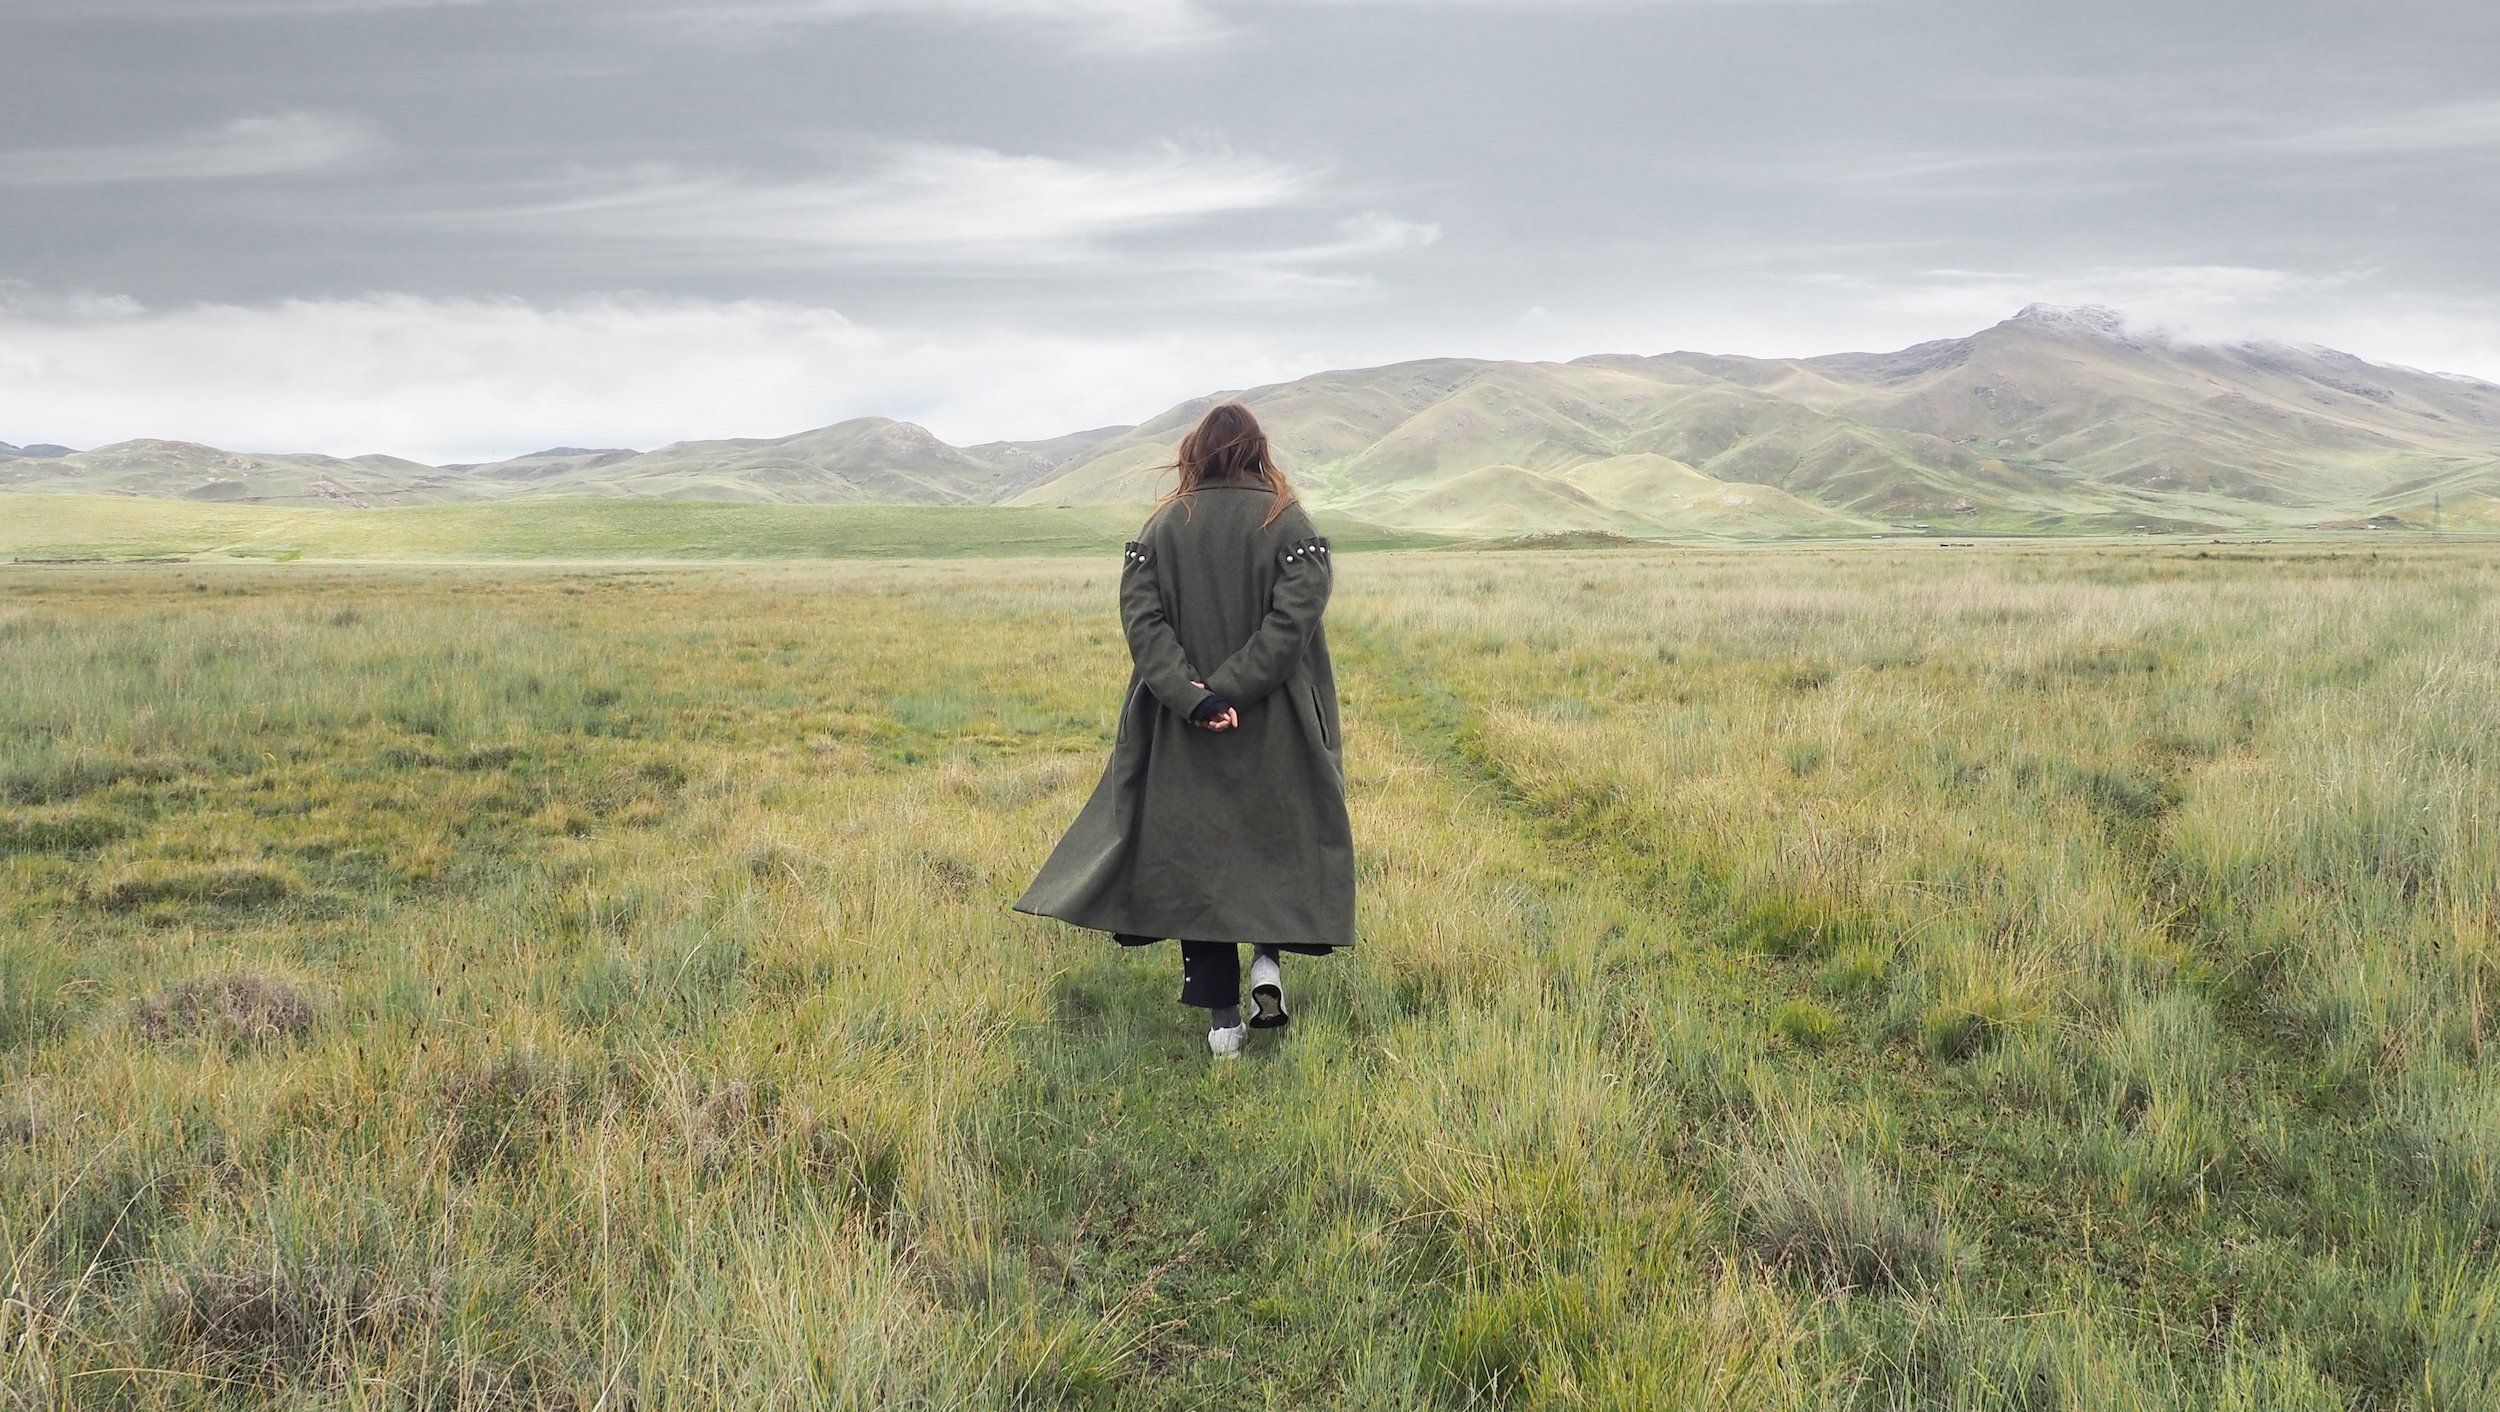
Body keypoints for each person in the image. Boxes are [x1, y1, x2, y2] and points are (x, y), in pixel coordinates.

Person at [1014, 402, 1355, 1056]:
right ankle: (1267, 964)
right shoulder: (1291, 524)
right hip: (1275, 721)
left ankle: (1223, 1020)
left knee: (1200, 860)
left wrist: (1194, 698)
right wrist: (1235, 690)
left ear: (1193, 453)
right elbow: (1292, 626)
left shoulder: (1164, 526)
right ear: (1258, 450)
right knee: (1272, 842)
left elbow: (1144, 628)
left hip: (1182, 727)